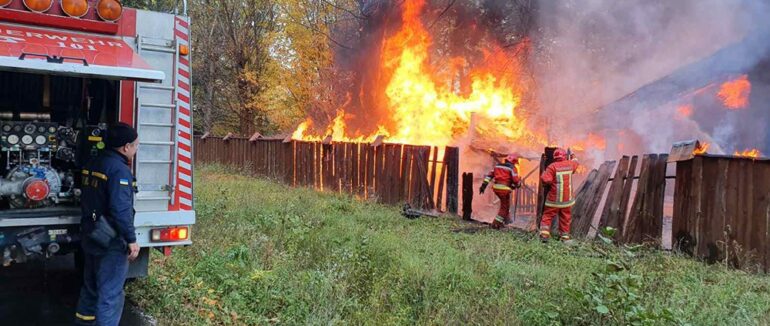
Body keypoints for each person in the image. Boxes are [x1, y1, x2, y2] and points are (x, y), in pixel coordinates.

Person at [75, 123, 140, 326]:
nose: (136, 150)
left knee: (90, 287)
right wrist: (131, 240)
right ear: (125, 147)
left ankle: (84, 323)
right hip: (111, 240)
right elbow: (120, 211)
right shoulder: (119, 171)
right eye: (136, 146)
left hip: (91, 233)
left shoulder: (93, 162)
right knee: (110, 294)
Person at [539, 148, 579, 242]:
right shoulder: (570, 164)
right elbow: (576, 162)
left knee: (547, 216)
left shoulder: (552, 166)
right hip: (567, 200)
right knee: (565, 218)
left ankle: (544, 235)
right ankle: (565, 238)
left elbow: (545, 179)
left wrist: (550, 179)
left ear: (554, 157)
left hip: (554, 200)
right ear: (565, 156)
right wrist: (573, 155)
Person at [479, 153, 522, 229]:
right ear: (514, 161)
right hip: (504, 190)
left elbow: (489, 176)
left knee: (505, 204)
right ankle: (495, 224)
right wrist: (518, 184)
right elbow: (515, 180)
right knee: (504, 208)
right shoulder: (512, 168)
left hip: (496, 188)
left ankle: (506, 221)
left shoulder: (497, 166)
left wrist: (483, 186)